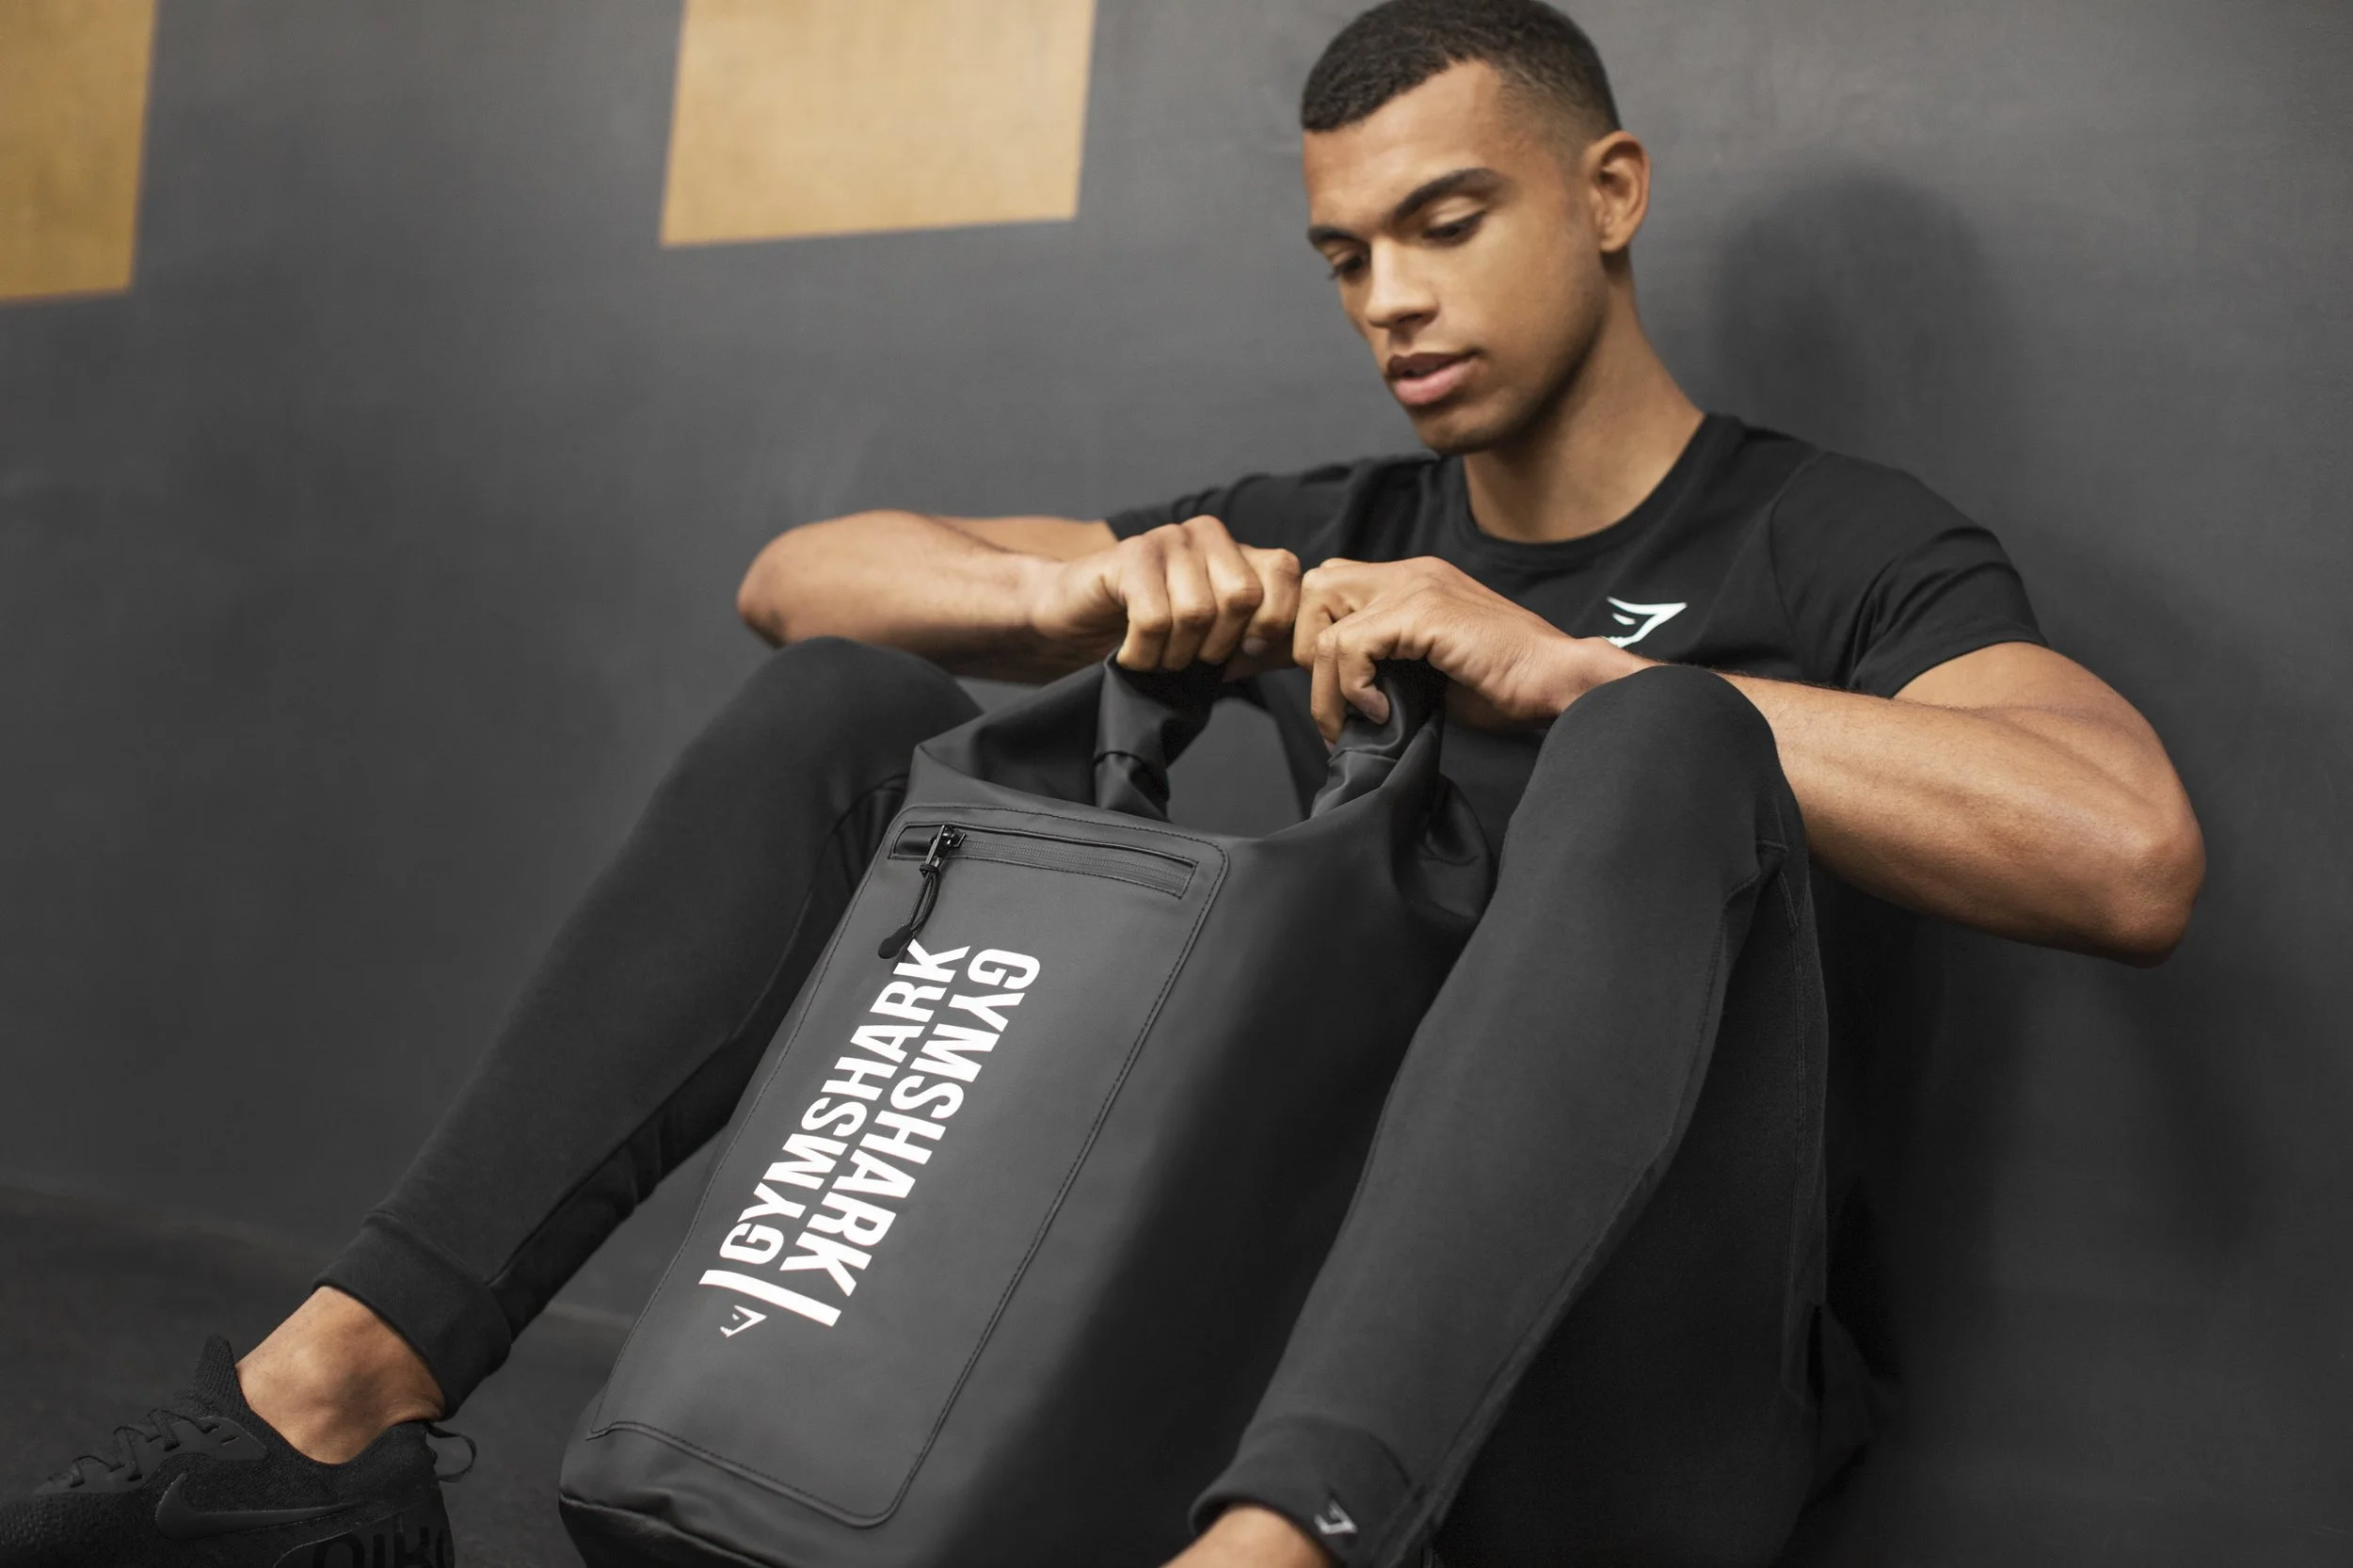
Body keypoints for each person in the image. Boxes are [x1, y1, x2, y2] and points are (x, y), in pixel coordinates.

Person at [2, 2, 2203, 1566]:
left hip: (1625, 1392)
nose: (1391, 300)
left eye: (1446, 221)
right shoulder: (1336, 510)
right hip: (1255, 1338)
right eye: (1346, 253)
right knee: (856, 699)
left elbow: (2119, 848)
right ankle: (332, 1408)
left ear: (1605, 190)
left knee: (1658, 731)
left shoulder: (1816, 537)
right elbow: (800, 584)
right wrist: (1084, 599)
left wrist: (1550, 671)